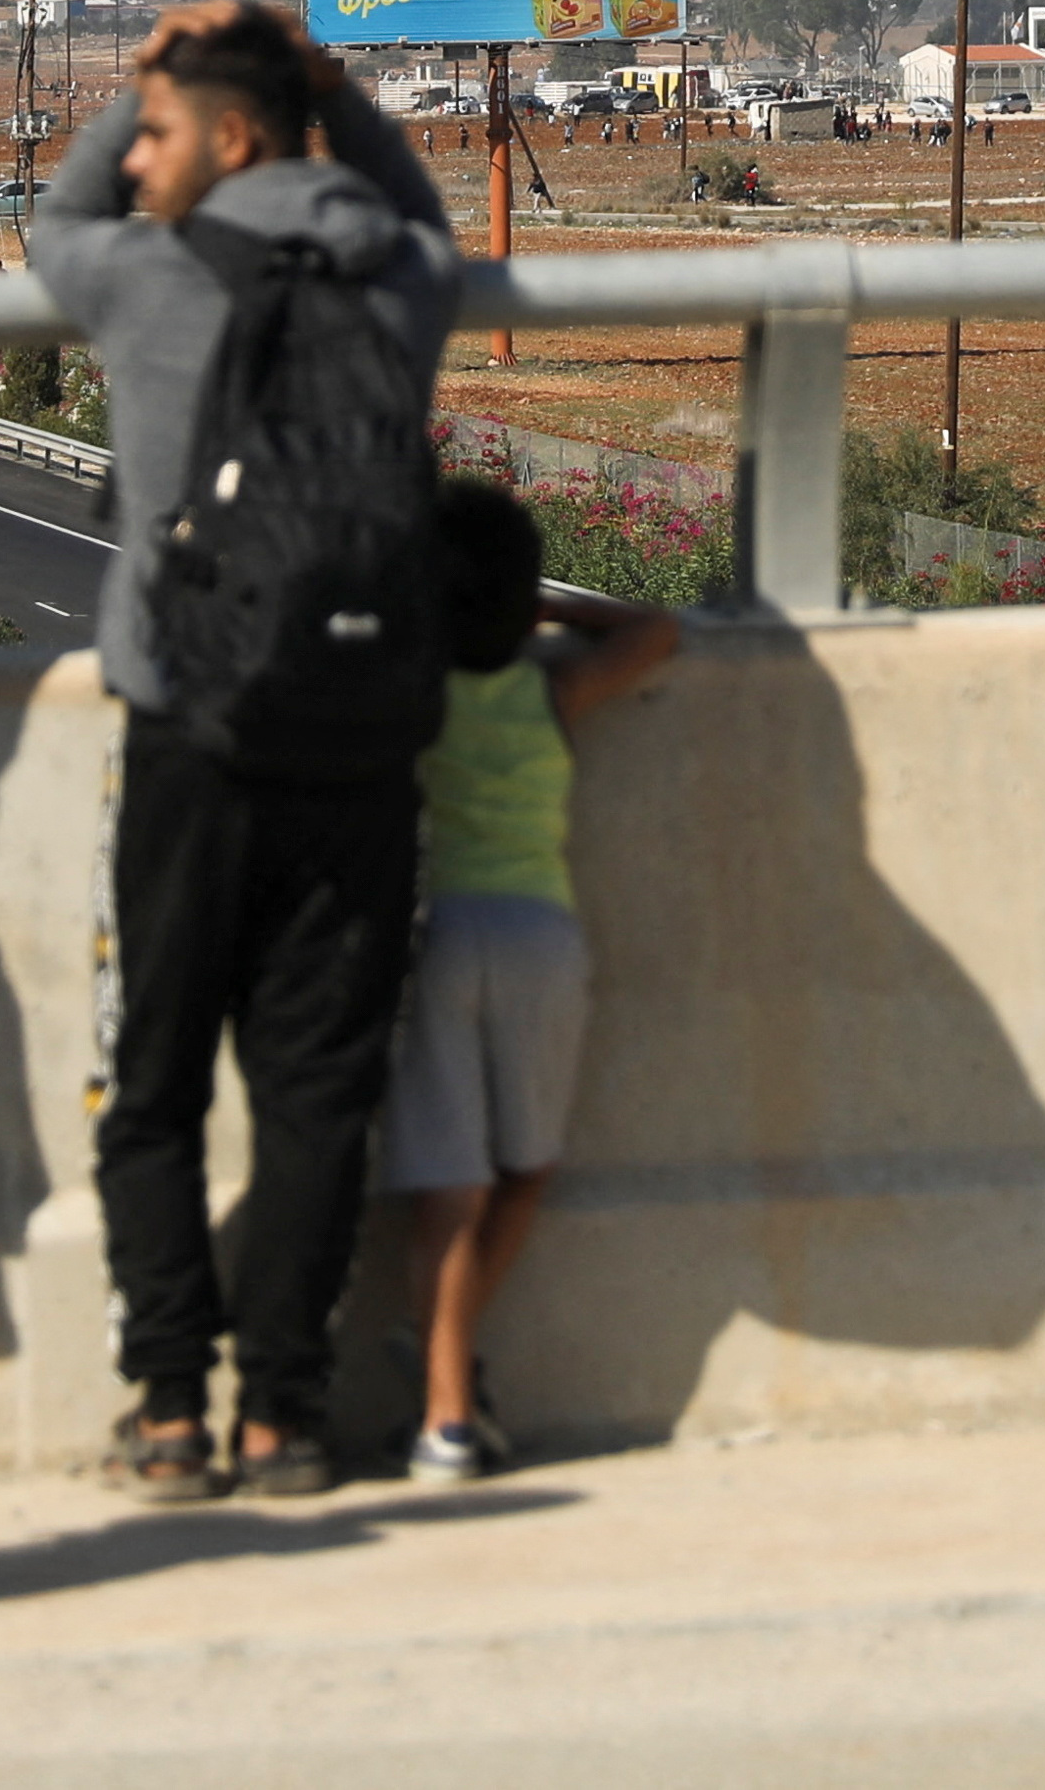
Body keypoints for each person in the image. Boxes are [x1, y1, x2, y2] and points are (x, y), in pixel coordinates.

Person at [30, 3, 459, 1502]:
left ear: (229, 139)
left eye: (160, 134)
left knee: (152, 1077)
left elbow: (54, 222)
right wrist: (336, 84)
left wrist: (142, 72)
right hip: (359, 742)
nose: (139, 159)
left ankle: (168, 1409)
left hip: (189, 733)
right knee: (316, 1092)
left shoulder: (142, 277)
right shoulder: (397, 282)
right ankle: (283, 1416)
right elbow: (425, 213)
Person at [390, 482, 682, 1484]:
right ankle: (447, 1353)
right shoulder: (550, 693)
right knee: (525, 1167)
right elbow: (656, 630)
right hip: (539, 938)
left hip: (439, 933)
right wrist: (547, 605)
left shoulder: (415, 695)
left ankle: (443, 1412)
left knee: (445, 1189)